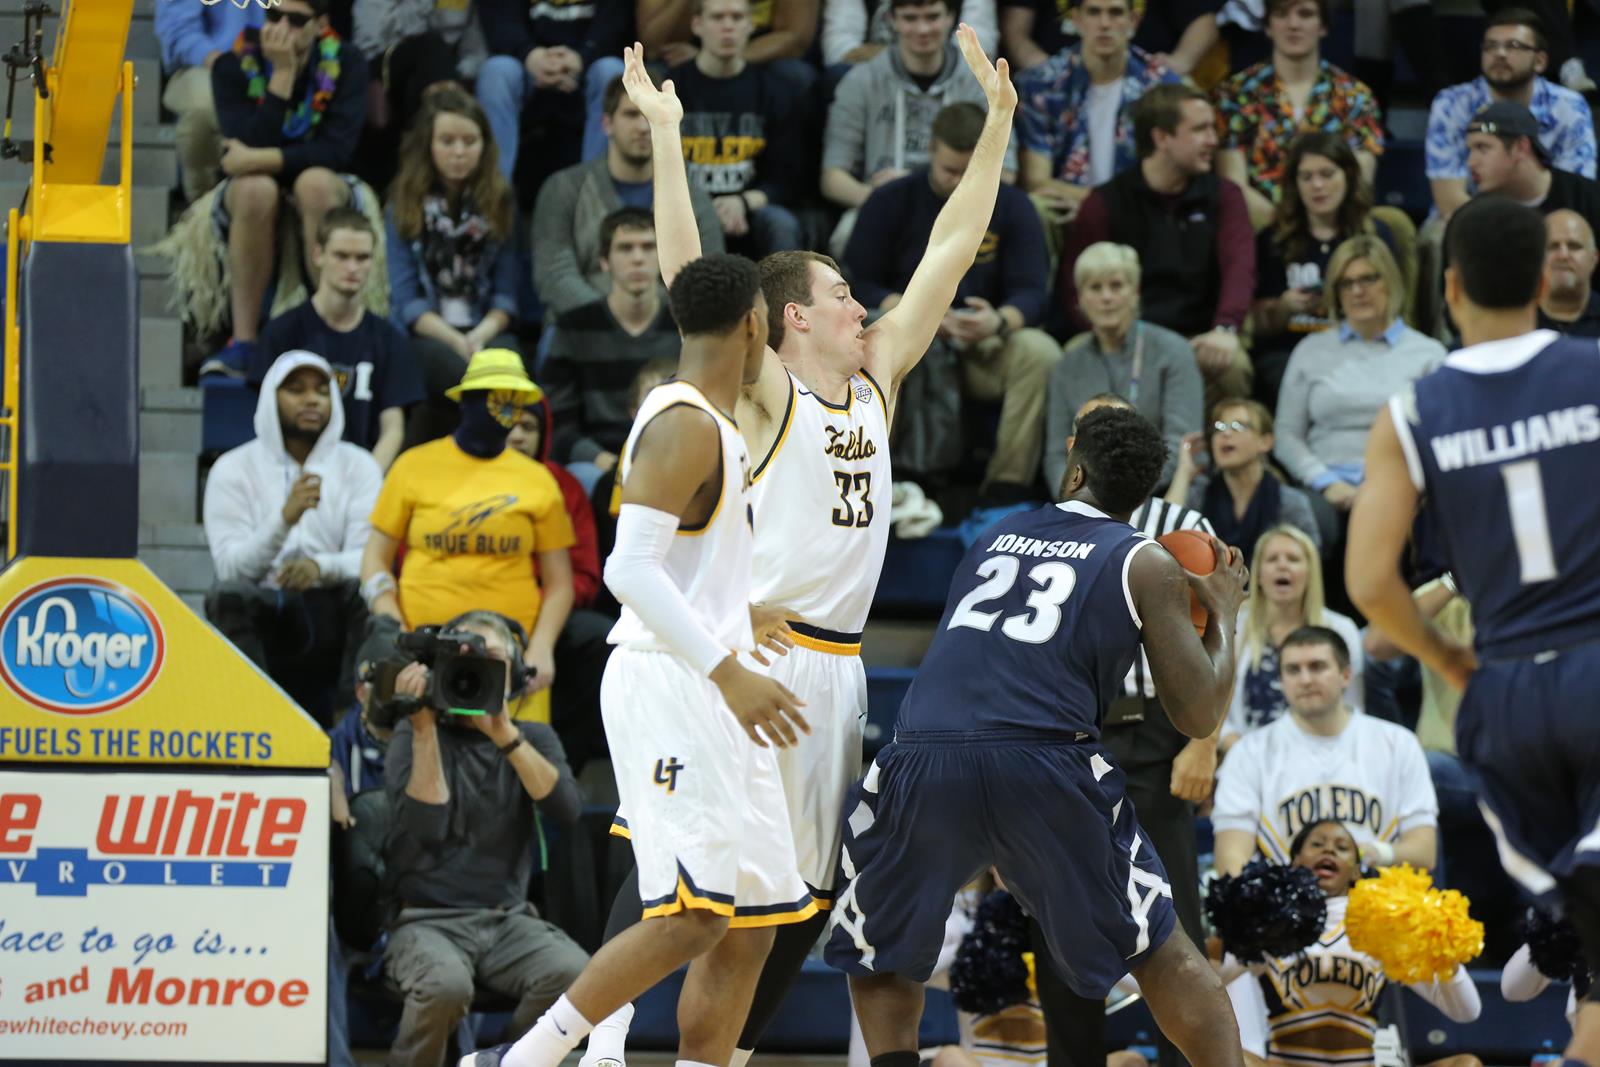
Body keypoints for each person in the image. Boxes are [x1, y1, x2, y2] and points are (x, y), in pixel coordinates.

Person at [576, 28, 1023, 1067]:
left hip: (839, 670)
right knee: (683, 872)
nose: (862, 306)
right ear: (791, 318)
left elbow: (951, 247)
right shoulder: (766, 391)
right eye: (840, 296)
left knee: (798, 899)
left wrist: (998, 127)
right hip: (754, 653)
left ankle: (718, 1055)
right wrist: (667, 136)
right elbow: (692, 277)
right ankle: (588, 1041)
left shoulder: (877, 378)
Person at [460, 254, 812, 1067]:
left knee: (753, 917)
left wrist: (735, 611)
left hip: (710, 674)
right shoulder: (684, 421)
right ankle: (521, 1061)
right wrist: (727, 667)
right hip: (673, 682)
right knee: (692, 914)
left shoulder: (714, 422)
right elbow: (629, 570)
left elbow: (681, 565)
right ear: (754, 323)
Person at [825, 405, 1251, 1066]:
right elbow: (1198, 716)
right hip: (1044, 759)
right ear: (1143, 493)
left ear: (1075, 470)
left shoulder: (998, 534)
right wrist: (1221, 614)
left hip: (923, 753)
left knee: (881, 944)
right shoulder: (1145, 561)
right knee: (1161, 950)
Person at [1346, 193, 1600, 1067]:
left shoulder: (1412, 413)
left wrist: (1449, 658)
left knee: (1591, 955)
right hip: (1594, 666)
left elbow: (1368, 581)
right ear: (1541, 280)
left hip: (1505, 695)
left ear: (1449, 288)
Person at [383, 610, 590, 1067]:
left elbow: (567, 810)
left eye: (489, 657)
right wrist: (423, 727)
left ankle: (504, 1061)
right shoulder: (412, 731)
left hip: (507, 920)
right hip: (424, 921)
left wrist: (505, 735)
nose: (474, 668)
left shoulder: (533, 737)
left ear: (514, 670)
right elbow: (426, 827)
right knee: (445, 986)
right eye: (462, 657)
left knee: (574, 973)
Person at [846, 102, 1058, 498]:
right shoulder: (891, 200)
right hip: (909, 338)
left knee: (1039, 351)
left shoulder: (1014, 206)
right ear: (931, 150)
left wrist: (999, 320)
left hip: (984, 342)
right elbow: (857, 280)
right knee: (873, 336)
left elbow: (1033, 292)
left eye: (969, 171)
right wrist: (915, 313)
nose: (959, 181)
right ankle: (876, 479)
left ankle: (1005, 488)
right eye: (950, 171)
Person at [359, 350, 575, 723]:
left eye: (514, 401)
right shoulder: (413, 466)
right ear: (467, 401)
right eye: (495, 399)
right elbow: (373, 560)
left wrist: (543, 647)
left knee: (520, 753)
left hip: (511, 657)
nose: (505, 412)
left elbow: (561, 583)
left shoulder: (538, 480)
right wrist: (393, 626)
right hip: (422, 653)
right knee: (421, 750)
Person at [1214, 820, 1481, 1067]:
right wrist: (1237, 929)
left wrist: (1443, 954)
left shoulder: (1384, 926)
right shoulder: (1270, 923)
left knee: (1466, 1065)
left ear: (1355, 870)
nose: (1329, 849)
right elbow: (1207, 978)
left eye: (1342, 848)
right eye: (1317, 844)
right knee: (1217, 1054)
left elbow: (1467, 1011)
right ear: (1295, 862)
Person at [203, 351, 380, 720]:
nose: (312, 399)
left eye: (322, 391)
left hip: (331, 608)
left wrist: (319, 567)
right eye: (296, 390)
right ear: (271, 398)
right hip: (268, 607)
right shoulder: (232, 468)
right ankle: (255, 723)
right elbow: (230, 569)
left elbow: (370, 559)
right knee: (227, 595)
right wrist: (284, 519)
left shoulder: (360, 466)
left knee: (369, 595)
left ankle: (353, 726)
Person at [1057, 83, 1255, 406]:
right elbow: (1075, 286)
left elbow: (1240, 269)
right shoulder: (1104, 202)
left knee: (1233, 365)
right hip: (1122, 337)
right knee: (1074, 354)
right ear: (1161, 138)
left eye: (1212, 129)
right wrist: (1112, 334)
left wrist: (1225, 328)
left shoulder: (1225, 196)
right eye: (1200, 130)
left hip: (1199, 339)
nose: (1213, 140)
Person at [201, 0, 370, 378]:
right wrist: (282, 75)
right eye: (273, 15)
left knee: (314, 184)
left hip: (325, 182)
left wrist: (259, 158)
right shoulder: (232, 66)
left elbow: (335, 152)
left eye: (295, 20)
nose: (280, 28)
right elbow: (246, 142)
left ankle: (330, 335)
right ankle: (243, 343)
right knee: (254, 189)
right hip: (250, 190)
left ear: (320, 25)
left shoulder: (348, 63)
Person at [1213, 626, 1435, 875]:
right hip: (1284, 897)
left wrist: (1368, 855)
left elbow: (1424, 851)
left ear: (1346, 675)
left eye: (1317, 667)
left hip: (1375, 894)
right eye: (1293, 670)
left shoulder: (1399, 744)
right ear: (1281, 681)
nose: (1306, 679)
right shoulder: (1248, 753)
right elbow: (1231, 859)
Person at [822, 0, 1018, 258]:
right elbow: (832, 178)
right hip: (884, 207)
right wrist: (883, 198)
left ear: (950, 18)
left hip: (962, 205)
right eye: (910, 18)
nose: (923, 29)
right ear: (892, 20)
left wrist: (935, 191)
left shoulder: (980, 82)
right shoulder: (861, 80)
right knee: (845, 235)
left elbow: (1006, 172)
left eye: (932, 16)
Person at [384, 90, 524, 446]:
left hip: (485, 329)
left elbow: (506, 296)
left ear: (484, 146)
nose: (459, 152)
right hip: (428, 332)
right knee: (456, 370)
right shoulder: (403, 203)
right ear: (428, 145)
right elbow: (406, 301)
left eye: (469, 141)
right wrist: (456, 341)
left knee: (510, 360)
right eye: (447, 141)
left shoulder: (501, 201)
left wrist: (478, 337)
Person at [1273, 236, 1444, 518]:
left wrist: (1395, 483)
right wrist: (1325, 481)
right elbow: (1287, 435)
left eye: (1368, 279)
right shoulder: (1310, 350)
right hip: (1325, 489)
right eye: (1346, 283)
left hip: (1402, 485)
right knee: (1308, 517)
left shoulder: (1428, 354)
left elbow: (1439, 436)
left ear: (1390, 282)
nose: (1357, 291)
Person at [532, 73, 724, 319]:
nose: (643, 127)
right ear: (607, 123)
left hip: (671, 330)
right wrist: (614, 321)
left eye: (650, 117)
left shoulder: (692, 197)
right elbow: (555, 276)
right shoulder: (563, 188)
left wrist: (653, 324)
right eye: (631, 115)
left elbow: (710, 276)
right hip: (583, 326)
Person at [250, 208, 425, 471]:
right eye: (341, 256)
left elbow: (393, 428)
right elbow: (265, 421)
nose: (352, 267)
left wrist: (364, 482)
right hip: (290, 475)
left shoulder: (390, 340)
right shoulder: (281, 334)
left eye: (362, 257)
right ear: (318, 255)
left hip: (363, 475)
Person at [1250, 132, 1398, 411]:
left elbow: (1394, 305)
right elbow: (1258, 324)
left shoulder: (1375, 235)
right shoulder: (1273, 239)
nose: (1317, 185)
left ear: (1348, 176)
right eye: (1306, 177)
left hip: (1359, 345)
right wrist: (1284, 307)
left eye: (1327, 174)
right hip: (1289, 351)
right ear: (1295, 184)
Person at [506, 399, 614, 775]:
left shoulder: (562, 485)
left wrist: (540, 609)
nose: (518, 436)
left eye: (529, 427)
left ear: (544, 435)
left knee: (599, 640)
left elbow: (585, 574)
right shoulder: (458, 478)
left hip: (549, 609)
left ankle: (562, 769)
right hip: (478, 608)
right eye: (509, 425)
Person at [1044, 242, 1203, 496]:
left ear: (1134, 292)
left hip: (1161, 493)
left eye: (1116, 286)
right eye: (1095, 287)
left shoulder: (1173, 351)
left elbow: (1182, 445)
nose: (1106, 297)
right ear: (1080, 298)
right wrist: (1075, 497)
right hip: (1086, 500)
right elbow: (1056, 455)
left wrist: (1122, 493)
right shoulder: (1067, 366)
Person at [1212, 0, 1384, 232]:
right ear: (1268, 26)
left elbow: (1360, 182)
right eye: (1281, 14)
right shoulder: (1235, 95)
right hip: (1260, 232)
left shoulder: (1355, 97)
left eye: (1305, 14)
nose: (1293, 24)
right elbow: (1234, 186)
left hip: (1336, 230)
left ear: (1323, 26)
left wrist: (1319, 232)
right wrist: (1288, 231)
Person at [541, 208, 682, 490]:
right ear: (604, 261)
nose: (638, 258)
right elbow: (558, 422)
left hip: (674, 456)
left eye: (648, 247)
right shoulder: (573, 328)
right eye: (625, 248)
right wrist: (610, 464)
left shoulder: (686, 324)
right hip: (597, 464)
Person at [1013, 0, 1178, 240]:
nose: (1104, 24)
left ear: (1133, 20)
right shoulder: (1041, 84)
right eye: (1094, 12)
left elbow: (1168, 178)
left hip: (1139, 214)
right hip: (1067, 209)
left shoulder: (1161, 86)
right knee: (1039, 207)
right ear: (1076, 19)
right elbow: (1036, 180)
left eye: (1115, 13)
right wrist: (1093, 208)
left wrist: (1102, 210)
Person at [1424, 6, 1595, 224]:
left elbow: (1577, 194)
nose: (1500, 54)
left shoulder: (1569, 106)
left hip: (1552, 226)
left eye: (1513, 46)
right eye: (1490, 46)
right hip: (1468, 225)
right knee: (1435, 234)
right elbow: (1450, 201)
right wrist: (1507, 236)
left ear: (1540, 61)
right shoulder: (1451, 103)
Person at [666, 0, 808, 259]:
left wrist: (742, 202)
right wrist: (702, 207)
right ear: (697, 25)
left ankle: (785, 288)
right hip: (686, 207)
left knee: (781, 222)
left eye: (737, 17)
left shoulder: (774, 92)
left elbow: (786, 180)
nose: (728, 26)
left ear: (750, 25)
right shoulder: (671, 88)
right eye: (717, 17)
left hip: (748, 209)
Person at [1220, 525, 1362, 750]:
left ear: (1310, 573)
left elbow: (1353, 707)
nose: (1282, 565)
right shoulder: (1235, 627)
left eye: (1293, 559)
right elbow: (1215, 709)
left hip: (1322, 753)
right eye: (1272, 559)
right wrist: (1242, 751)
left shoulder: (1341, 629)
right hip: (1248, 754)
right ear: (1258, 575)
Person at [1164, 399, 1321, 553]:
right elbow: (1164, 533)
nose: (1225, 433)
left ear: (1265, 442)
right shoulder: (1199, 496)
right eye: (1219, 427)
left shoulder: (1290, 503)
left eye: (1237, 426)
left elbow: (1309, 560)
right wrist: (1183, 473)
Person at [153, 0, 265, 203]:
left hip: (286, 63)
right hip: (207, 64)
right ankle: (202, 204)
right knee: (201, 107)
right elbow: (179, 31)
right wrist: (227, 68)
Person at [1465, 100, 1600, 237]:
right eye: (1470, 150)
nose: (1471, 162)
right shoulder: (1473, 218)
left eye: (1482, 148)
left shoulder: (1590, 199)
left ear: (1521, 147)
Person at [1539, 209, 1600, 336]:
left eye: (1574, 246)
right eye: (1552, 246)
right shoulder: (1511, 320)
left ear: (1594, 258)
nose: (1563, 255)